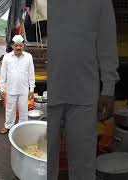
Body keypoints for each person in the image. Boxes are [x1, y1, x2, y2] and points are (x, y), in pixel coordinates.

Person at [48, 0, 120, 179]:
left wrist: (109, 88)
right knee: (43, 163)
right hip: (49, 94)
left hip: (84, 94)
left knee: (83, 166)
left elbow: (107, 43)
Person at [0, 35, 35, 134]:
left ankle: (22, 126)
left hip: (24, 89)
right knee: (10, 109)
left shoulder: (28, 57)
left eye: (20, 45)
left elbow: (31, 73)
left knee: (24, 110)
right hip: (11, 89)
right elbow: (3, 74)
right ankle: (8, 126)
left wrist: (31, 89)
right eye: (16, 45)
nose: (18, 48)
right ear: (12, 46)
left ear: (23, 45)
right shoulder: (7, 57)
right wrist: (2, 88)